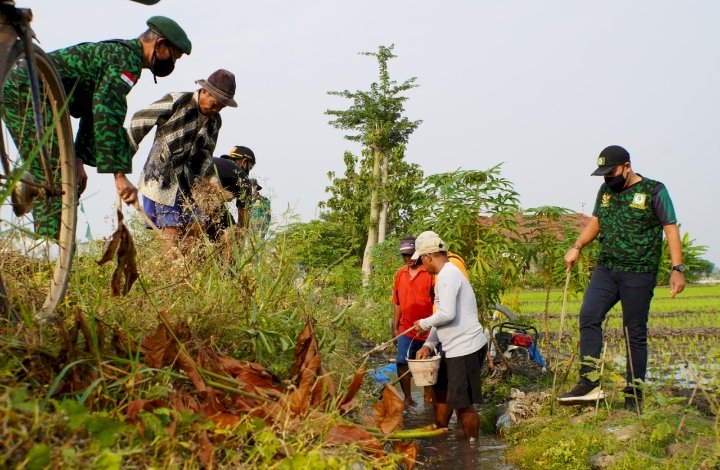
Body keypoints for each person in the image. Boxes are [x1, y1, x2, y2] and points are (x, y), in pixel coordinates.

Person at [3, 16, 191, 236]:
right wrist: (119, 176)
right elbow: (107, 111)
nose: (172, 64)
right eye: (173, 56)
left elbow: (93, 111)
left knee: (64, 174)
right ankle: (49, 249)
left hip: (31, 92)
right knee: (58, 178)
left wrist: (79, 158)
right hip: (26, 91)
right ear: (159, 45)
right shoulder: (125, 60)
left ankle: (32, 193)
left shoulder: (121, 54)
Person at [560, 145, 685, 411]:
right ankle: (589, 382)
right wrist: (577, 245)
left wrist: (677, 269)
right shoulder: (605, 191)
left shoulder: (654, 190)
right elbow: (597, 222)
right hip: (607, 269)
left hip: (639, 272)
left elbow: (670, 229)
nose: (608, 179)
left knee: (634, 332)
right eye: (603, 175)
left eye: (612, 173)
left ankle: (634, 398)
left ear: (627, 167)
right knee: (589, 316)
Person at [128, 69, 237, 247]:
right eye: (215, 104)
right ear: (205, 92)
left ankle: (186, 267)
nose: (216, 110)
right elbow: (140, 120)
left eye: (221, 107)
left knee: (198, 224)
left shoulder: (215, 121)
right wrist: (124, 158)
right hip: (161, 176)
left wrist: (213, 181)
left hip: (187, 180)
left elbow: (205, 155)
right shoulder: (178, 101)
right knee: (172, 228)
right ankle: (171, 270)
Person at [412, 231, 489, 439]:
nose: (421, 266)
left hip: (465, 347)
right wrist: (428, 343)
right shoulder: (443, 276)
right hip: (451, 347)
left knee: (463, 405)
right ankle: (441, 432)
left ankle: (472, 449)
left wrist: (422, 323)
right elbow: (442, 316)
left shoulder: (448, 274)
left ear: (429, 256)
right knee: (442, 393)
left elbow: (447, 314)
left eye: (421, 260)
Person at [391, 236, 434, 407]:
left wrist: (430, 325)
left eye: (410, 254)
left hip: (428, 330)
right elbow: (397, 302)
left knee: (428, 366)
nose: (408, 259)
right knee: (402, 362)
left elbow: (438, 302)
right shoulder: (400, 274)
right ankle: (407, 398)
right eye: (404, 256)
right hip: (406, 328)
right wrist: (395, 327)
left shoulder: (429, 273)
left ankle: (428, 399)